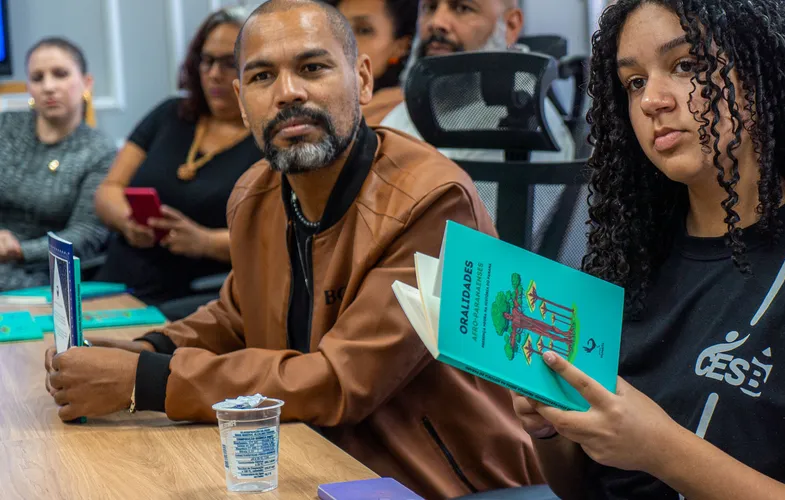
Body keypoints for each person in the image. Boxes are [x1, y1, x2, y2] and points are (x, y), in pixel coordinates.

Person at [44, 1, 541, 498]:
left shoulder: (432, 202)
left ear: (362, 80)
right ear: (242, 102)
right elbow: (236, 316)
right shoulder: (255, 192)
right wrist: (150, 347)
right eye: (262, 77)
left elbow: (340, 380)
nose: (288, 93)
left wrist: (147, 381)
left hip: (433, 481)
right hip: (308, 459)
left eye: (312, 67)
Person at [512, 1, 785, 499]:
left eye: (686, 66)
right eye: (634, 82)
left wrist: (660, 448)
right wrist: (550, 429)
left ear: (761, 77)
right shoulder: (629, 261)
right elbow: (585, 490)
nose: (652, 100)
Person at [93, 7, 261, 312]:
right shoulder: (170, 113)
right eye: (206, 60)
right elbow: (108, 191)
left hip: (191, 299)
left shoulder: (269, 141)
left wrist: (204, 241)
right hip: (115, 283)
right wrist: (128, 222)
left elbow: (273, 242)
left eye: (228, 63)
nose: (213, 73)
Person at [380, 0, 575, 162]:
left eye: (462, 8)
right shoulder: (406, 112)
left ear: (510, 26)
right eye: (430, 8)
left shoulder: (528, 123)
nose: (436, 22)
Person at [0, 38, 116, 291]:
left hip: (43, 274)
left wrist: (19, 250)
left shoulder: (99, 151)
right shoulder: (5, 127)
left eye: (60, 74)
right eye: (38, 78)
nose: (48, 87)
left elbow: (87, 234)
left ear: (86, 83)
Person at [328, 0, 418, 124]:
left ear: (401, 47)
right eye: (335, 29)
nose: (340, 41)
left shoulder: (404, 118)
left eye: (363, 30)